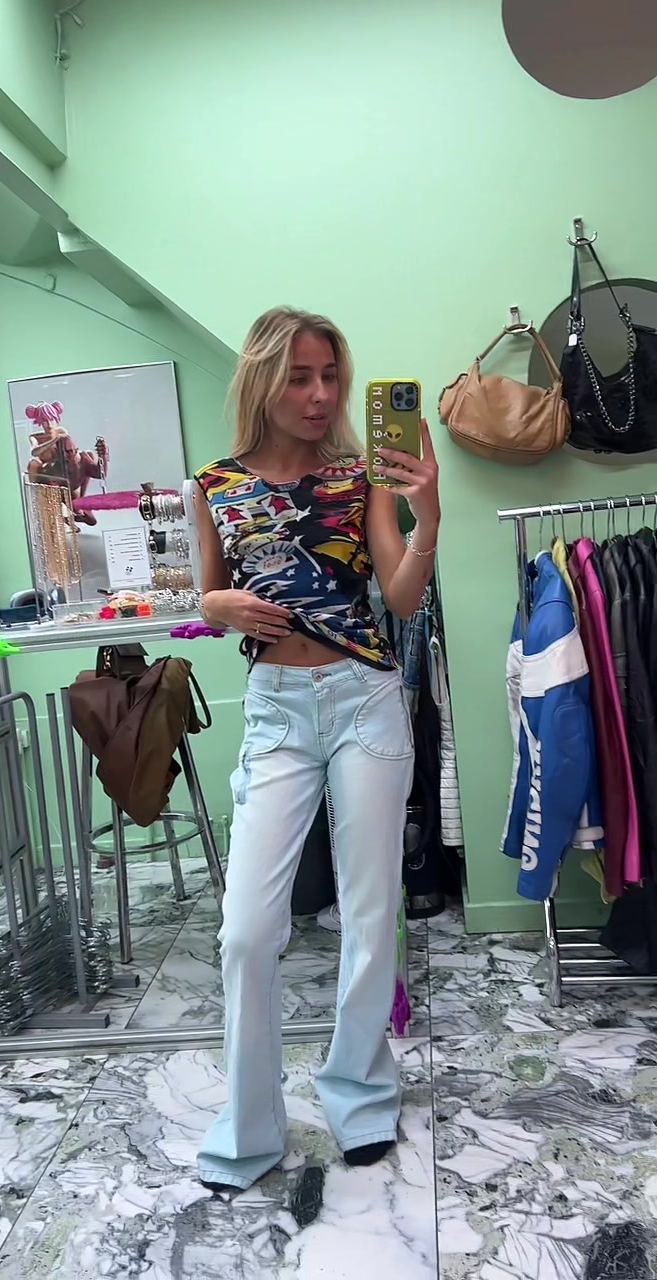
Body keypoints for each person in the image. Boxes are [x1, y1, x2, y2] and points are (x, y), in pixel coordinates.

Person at [193, 306, 440, 1192]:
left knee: (370, 912)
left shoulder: (357, 476)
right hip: (276, 712)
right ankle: (248, 1126)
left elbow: (401, 598)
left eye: (330, 375)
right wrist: (215, 607)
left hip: (363, 699)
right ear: (263, 380)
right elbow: (209, 596)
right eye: (300, 376)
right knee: (247, 931)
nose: (320, 393)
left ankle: (361, 1094)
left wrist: (427, 516)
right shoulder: (214, 484)